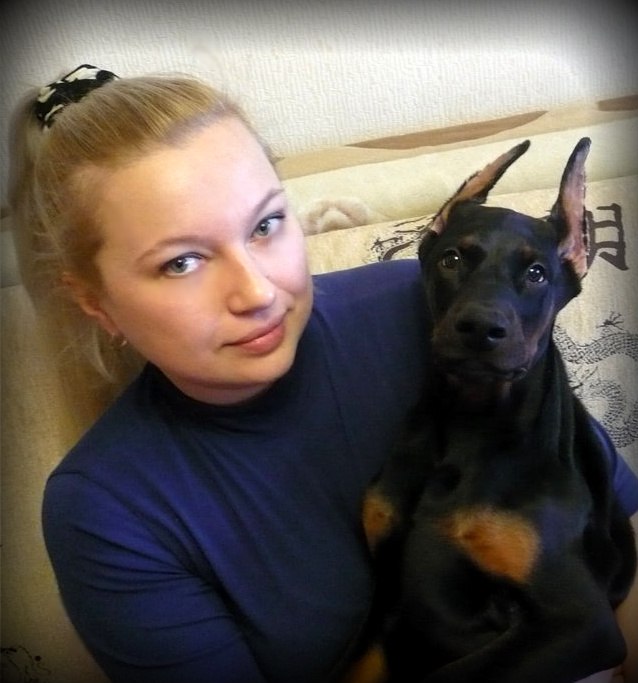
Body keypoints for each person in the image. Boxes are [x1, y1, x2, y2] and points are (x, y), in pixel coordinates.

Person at [8, 65, 638, 683]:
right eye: (182, 262)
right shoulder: (107, 512)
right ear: (94, 300)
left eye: (265, 225)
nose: (257, 292)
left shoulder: (435, 310)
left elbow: (617, 540)